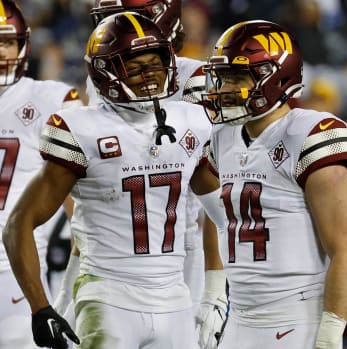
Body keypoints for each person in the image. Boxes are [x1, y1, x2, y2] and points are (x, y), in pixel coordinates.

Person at [3, 12, 224, 349]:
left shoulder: (190, 120)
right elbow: (18, 224)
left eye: (155, 64)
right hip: (109, 296)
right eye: (134, 68)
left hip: (176, 296)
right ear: (106, 73)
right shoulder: (82, 128)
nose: (149, 76)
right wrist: (40, 308)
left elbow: (226, 215)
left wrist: (218, 285)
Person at [52, 0, 216, 334]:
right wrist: (68, 286)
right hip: (109, 259)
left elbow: (220, 196)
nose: (118, 28)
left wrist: (215, 287)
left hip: (176, 248)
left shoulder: (194, 80)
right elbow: (97, 195)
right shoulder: (106, 75)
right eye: (109, 20)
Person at [200, 20, 347, 348]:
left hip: (296, 317)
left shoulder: (308, 133)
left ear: (276, 77)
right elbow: (218, 210)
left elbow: (346, 249)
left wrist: (330, 334)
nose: (227, 88)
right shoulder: (223, 138)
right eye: (224, 77)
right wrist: (214, 289)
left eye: (238, 76)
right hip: (240, 316)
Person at [0, 0, 83, 347]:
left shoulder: (51, 100)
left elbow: (80, 199)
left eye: (4, 41)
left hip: (14, 274)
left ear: (23, 45)